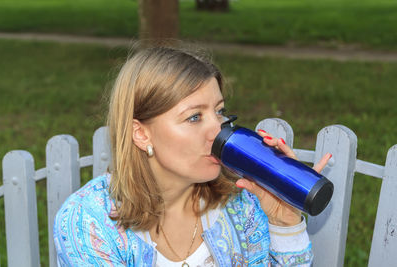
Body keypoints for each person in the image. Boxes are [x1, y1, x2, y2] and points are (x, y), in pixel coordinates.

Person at [54, 46, 331, 266]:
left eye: (220, 111)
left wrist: (284, 224)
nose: (218, 129)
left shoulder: (241, 205)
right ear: (141, 134)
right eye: (194, 117)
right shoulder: (88, 222)